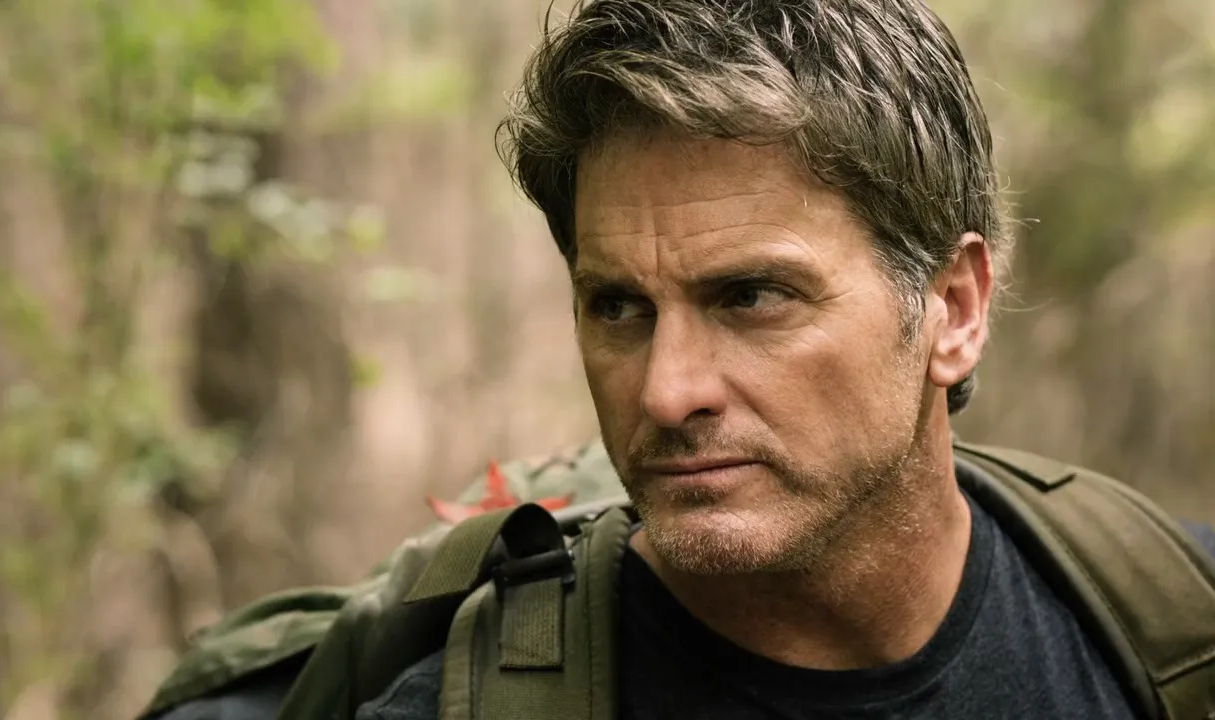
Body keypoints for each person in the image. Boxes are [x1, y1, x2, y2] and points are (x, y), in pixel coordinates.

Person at [146, 1, 1215, 718]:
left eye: (751, 297)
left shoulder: (1170, 631)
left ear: (952, 308)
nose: (665, 392)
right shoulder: (466, 702)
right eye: (617, 307)